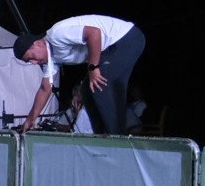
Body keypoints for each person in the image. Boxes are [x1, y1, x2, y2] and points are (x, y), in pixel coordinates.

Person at [12, 15, 145, 140]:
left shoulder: (57, 34)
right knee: (86, 90)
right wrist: (30, 119)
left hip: (125, 38)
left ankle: (117, 138)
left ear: (38, 44)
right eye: (29, 62)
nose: (34, 63)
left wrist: (93, 68)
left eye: (32, 57)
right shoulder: (50, 59)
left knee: (99, 83)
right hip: (108, 50)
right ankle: (101, 136)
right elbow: (45, 89)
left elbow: (94, 33)